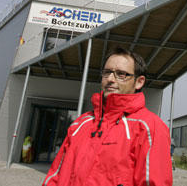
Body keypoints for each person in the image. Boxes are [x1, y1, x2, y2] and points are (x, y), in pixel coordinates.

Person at [42, 47, 173, 186]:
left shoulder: (150, 127)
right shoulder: (80, 124)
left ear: (139, 82)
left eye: (121, 74)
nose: (110, 79)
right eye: (107, 72)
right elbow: (55, 175)